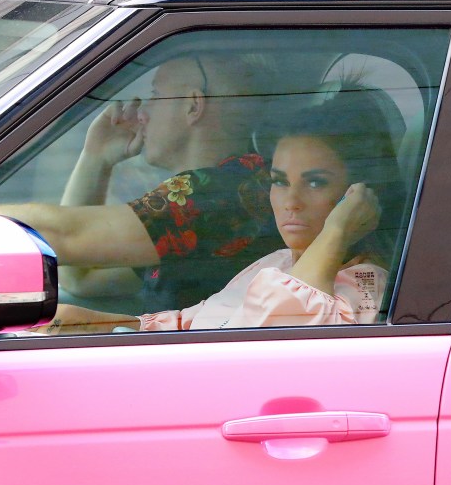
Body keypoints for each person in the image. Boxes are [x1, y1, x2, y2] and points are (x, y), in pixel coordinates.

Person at [37, 85, 405, 333]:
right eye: (279, 180)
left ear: (358, 197)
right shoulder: (279, 261)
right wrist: (99, 325)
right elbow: (191, 325)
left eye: (315, 182)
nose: (290, 200)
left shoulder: (365, 286)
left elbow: (272, 327)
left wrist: (336, 232)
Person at [0, 51, 282, 311]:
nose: (142, 114)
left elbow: (62, 235)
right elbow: (81, 277)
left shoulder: (215, 193)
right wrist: (96, 158)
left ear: (192, 106)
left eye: (155, 95)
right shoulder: (231, 188)